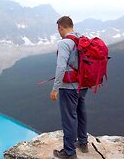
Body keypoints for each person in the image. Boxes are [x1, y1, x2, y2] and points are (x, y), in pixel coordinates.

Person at [50, 16, 89, 159]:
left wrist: (55, 88)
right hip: (83, 85)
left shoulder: (64, 43)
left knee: (69, 118)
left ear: (61, 27)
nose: (59, 32)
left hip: (68, 87)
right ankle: (83, 143)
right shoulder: (82, 39)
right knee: (81, 112)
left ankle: (69, 152)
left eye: (58, 29)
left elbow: (61, 67)